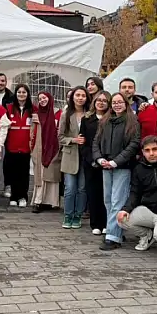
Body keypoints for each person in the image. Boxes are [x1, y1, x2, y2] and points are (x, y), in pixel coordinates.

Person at [94, 92, 140, 251]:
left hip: (122, 167)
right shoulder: (105, 121)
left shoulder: (132, 121)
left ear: (126, 104)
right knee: (108, 200)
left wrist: (116, 161)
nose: (117, 105)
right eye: (114, 102)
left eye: (120, 102)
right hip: (106, 166)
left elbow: (134, 145)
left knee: (117, 201)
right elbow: (96, 142)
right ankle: (117, 231)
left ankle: (112, 237)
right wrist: (100, 159)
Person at [58, 86, 90, 229]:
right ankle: (68, 214)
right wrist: (73, 140)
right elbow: (60, 137)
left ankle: (78, 215)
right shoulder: (66, 114)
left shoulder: (90, 114)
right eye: (78, 95)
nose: (80, 98)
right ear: (73, 97)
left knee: (82, 189)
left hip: (85, 156)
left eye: (83, 95)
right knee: (70, 188)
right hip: (70, 155)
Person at [80, 91, 109, 234]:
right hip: (90, 162)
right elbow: (83, 143)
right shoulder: (87, 119)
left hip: (108, 162)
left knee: (106, 194)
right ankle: (95, 224)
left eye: (104, 100)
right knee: (93, 193)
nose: (101, 102)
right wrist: (92, 160)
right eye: (99, 100)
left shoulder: (111, 119)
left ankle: (105, 223)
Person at [30, 91, 62, 212]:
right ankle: (38, 201)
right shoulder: (36, 115)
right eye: (40, 99)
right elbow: (32, 133)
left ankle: (50, 201)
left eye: (44, 98)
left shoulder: (58, 114)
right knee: (40, 176)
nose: (42, 100)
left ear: (50, 98)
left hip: (53, 149)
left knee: (51, 175)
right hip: (39, 149)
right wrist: (32, 148)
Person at [4, 84, 33, 208]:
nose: (21, 94)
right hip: (12, 147)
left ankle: (23, 196)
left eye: (24, 92)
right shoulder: (8, 108)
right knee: (13, 173)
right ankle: (14, 196)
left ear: (28, 94)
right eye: (19, 92)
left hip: (26, 148)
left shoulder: (33, 109)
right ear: (15, 94)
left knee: (24, 173)